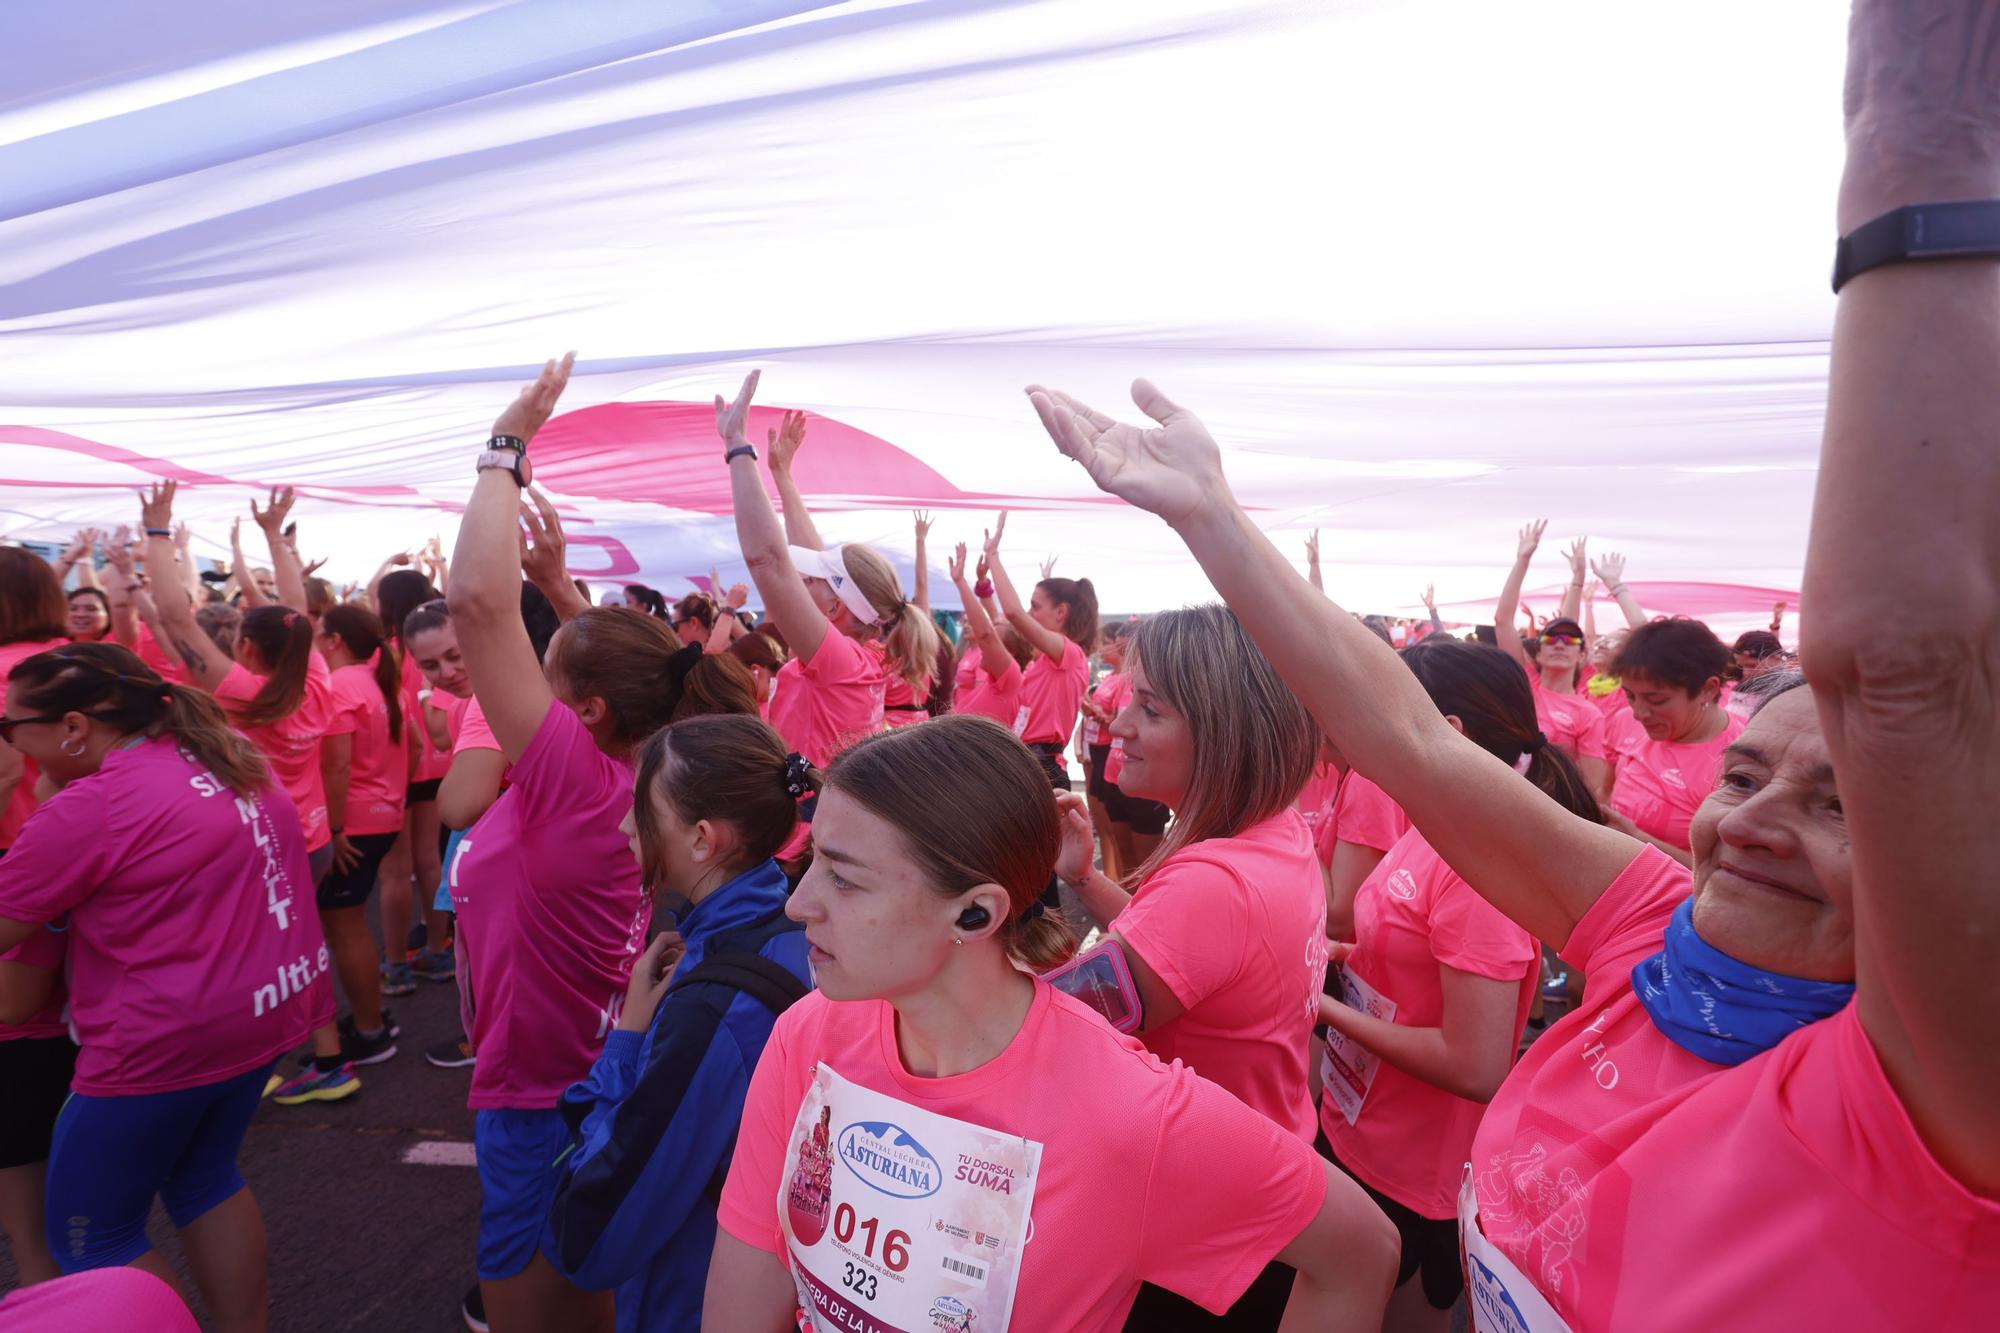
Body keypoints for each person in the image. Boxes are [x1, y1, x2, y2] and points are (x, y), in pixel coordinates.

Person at [1021, 145, 1997, 1318]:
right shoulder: (1657, 923)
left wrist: (1916, 143)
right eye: (1742, 775)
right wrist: (1211, 521)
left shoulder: (1934, 1088)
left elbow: (1898, 664)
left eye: (1838, 802)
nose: (1755, 822)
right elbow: (1411, 743)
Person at [704, 715, 1398, 1332]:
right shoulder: (809, 1032)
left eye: (845, 879)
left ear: (976, 913)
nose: (798, 904)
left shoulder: (1131, 1115)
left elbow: (1362, 1252)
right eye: (812, 861)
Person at [448, 356, 702, 1333]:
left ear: (584, 712)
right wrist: (558, 582)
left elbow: (476, 603)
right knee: (589, 1265)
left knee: (535, 1295)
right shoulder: (651, 765)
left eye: (543, 674)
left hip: (537, 1081)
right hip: (595, 1055)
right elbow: (597, 657)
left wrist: (505, 446)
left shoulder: (568, 778)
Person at [0, 642, 331, 1333]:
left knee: (92, 1240)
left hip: (158, 1044)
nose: (10, 742)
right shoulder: (221, 754)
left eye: (9, 727)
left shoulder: (92, 805)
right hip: (263, 1014)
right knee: (205, 1177)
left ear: (73, 728)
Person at [1044, 605, 1330, 1329]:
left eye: (1150, 707)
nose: (1119, 724)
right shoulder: (1275, 830)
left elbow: (1054, 1022)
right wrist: (1086, 880)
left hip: (1205, 1210)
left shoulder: (1212, 881)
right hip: (1267, 1162)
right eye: (1124, 697)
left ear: (1223, 730)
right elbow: (1185, 961)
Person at [1316, 639, 1602, 1332]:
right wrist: (1334, 953)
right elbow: (1403, 952)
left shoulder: (1482, 867)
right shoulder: (1434, 823)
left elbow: (1477, 1064)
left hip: (1414, 1173)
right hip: (1361, 1121)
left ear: (1448, 732)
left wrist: (1323, 1005)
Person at [545, 715, 815, 1332]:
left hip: (693, 1301)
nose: (623, 826)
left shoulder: (712, 1007)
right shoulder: (799, 925)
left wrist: (627, 1040)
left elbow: (588, 1238)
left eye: (639, 809)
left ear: (701, 840)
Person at [718, 375, 935, 768]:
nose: (802, 583)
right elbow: (808, 556)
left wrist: (738, 447)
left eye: (813, 581)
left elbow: (768, 561)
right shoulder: (864, 652)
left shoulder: (841, 661)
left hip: (808, 826)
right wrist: (783, 476)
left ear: (837, 607)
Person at [1602, 618, 1745, 863]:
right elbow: (1605, 792)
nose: (1639, 713)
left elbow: (1728, 868)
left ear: (1708, 690)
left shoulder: (1739, 760)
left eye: (1656, 700)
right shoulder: (1625, 721)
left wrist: (1637, 839)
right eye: (1630, 695)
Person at [375, 568, 452, 995]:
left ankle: (396, 966)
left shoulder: (382, 651)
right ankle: (438, 953)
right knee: (429, 860)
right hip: (437, 763)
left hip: (397, 765)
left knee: (395, 872)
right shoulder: (437, 640)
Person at [1494, 523, 1612, 799]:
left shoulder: (1588, 714)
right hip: (1498, 794)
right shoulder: (1523, 684)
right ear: (1538, 651)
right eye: (1551, 639)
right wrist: (1522, 560)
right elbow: (1502, 621)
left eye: (1570, 641)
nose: (1560, 644)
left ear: (1582, 654)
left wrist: (1577, 581)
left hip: (1547, 807)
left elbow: (1591, 787)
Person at [983, 512, 1096, 787]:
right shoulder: (1049, 658)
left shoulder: (1069, 655)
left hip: (1043, 767)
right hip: (1028, 762)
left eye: (1035, 606)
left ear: (1061, 612)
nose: (1030, 614)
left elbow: (1012, 612)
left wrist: (993, 555)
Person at [0, 549, 71, 860]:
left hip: (14, 835)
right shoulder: (72, 653)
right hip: (66, 825)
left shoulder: (8, 670)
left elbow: (5, 772)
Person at [944, 541, 1030, 728]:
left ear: (1011, 654)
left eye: (994, 643)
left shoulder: (1010, 680)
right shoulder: (992, 685)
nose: (984, 647)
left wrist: (960, 582)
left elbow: (985, 634)